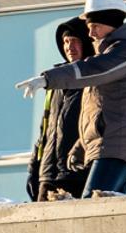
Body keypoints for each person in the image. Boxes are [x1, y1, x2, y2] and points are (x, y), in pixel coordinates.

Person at [16, 0, 126, 198]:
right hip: (109, 146)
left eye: (95, 26)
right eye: (89, 27)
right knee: (108, 206)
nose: (91, 33)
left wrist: (48, 79)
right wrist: (81, 147)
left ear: (111, 22)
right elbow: (98, 112)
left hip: (118, 147)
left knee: (93, 204)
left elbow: (93, 69)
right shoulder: (109, 54)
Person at [26, 17, 95, 201]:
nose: (69, 47)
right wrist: (34, 168)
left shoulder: (95, 79)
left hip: (78, 172)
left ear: (87, 43)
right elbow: (45, 132)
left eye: (75, 41)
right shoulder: (54, 83)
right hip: (48, 174)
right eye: (66, 42)